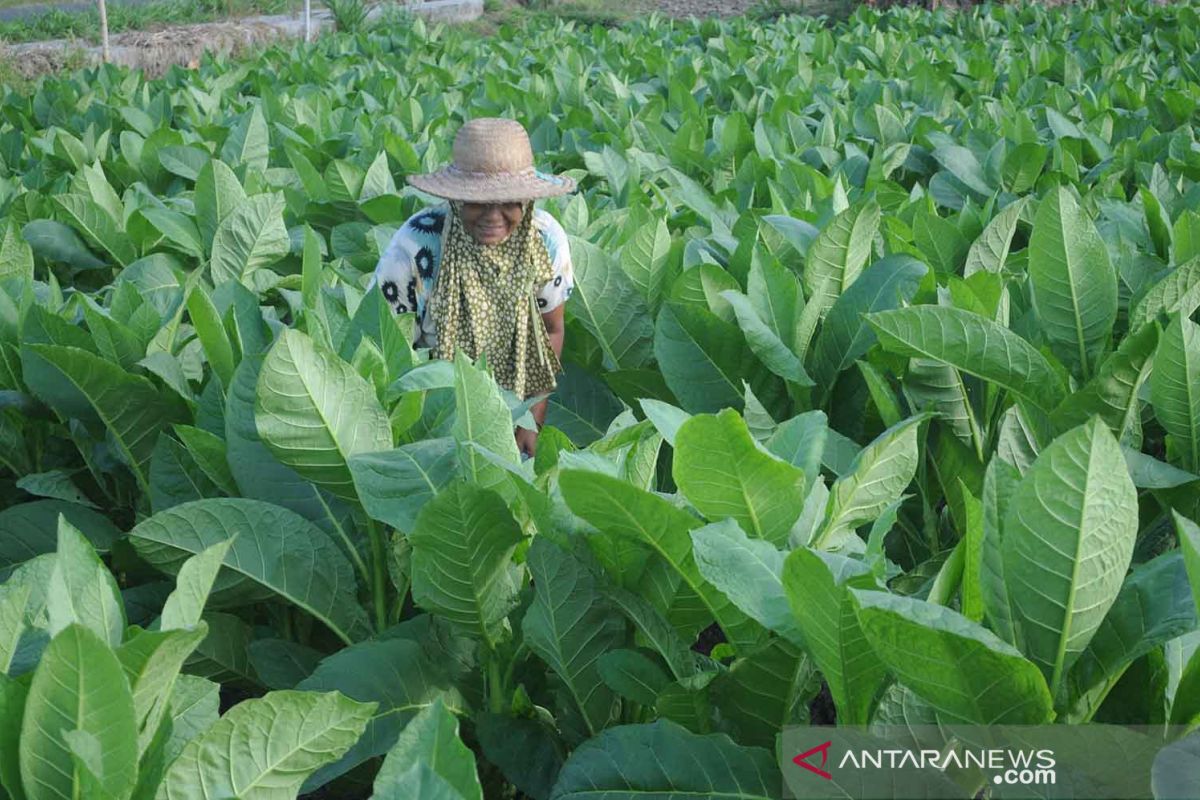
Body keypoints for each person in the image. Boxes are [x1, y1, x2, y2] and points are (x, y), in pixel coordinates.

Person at [370, 117, 577, 458]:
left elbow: (551, 329)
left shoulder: (546, 241)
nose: (493, 217)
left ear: (526, 199)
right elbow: (383, 350)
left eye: (510, 202)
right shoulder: (415, 245)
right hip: (431, 411)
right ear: (455, 197)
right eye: (478, 202)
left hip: (514, 406)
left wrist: (531, 419)